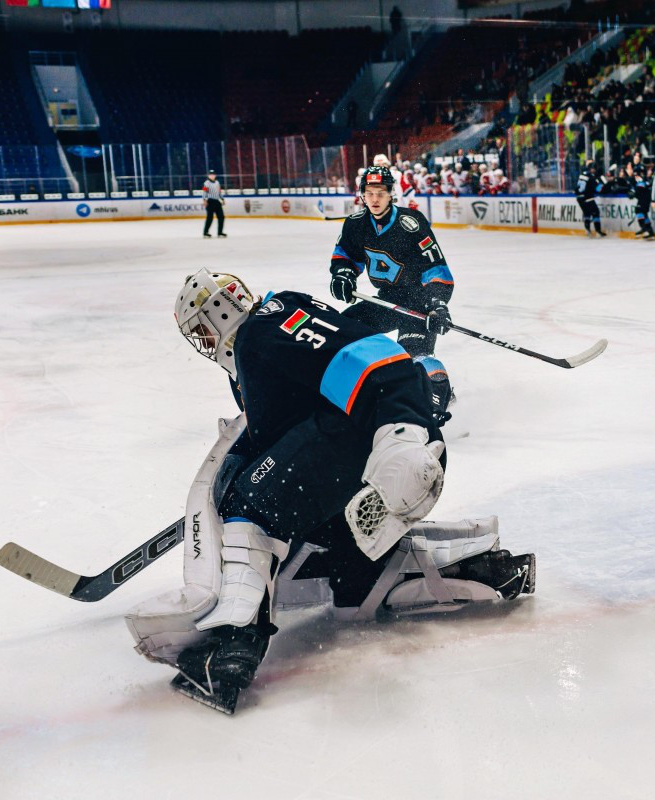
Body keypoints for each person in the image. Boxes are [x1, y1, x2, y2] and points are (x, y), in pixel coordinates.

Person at [126, 269, 534, 712]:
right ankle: (481, 570)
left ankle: (227, 644)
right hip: (353, 463)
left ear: (220, 309)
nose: (207, 343)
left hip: (389, 445)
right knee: (349, 577)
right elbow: (277, 432)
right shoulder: (252, 357)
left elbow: (373, 357)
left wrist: (400, 432)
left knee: (252, 507)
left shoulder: (267, 322)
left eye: (204, 330)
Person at [328, 165, 455, 424]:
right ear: (362, 194)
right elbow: (345, 256)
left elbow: (435, 268)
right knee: (340, 335)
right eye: (369, 192)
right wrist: (343, 274)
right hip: (384, 300)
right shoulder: (356, 225)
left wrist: (438, 304)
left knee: (415, 359)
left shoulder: (411, 224)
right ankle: (350, 397)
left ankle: (436, 404)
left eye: (381, 192)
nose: (375, 199)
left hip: (418, 303)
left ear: (391, 194)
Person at [574, 160, 607, 238]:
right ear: (592, 169)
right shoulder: (592, 177)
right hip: (587, 197)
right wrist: (604, 184)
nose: (595, 170)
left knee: (587, 213)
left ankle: (587, 229)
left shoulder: (582, 174)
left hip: (579, 197)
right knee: (595, 212)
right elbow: (599, 189)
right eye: (594, 169)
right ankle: (598, 230)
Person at [625, 162, 655, 240]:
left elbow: (640, 188)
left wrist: (633, 193)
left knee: (639, 211)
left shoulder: (642, 179)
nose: (636, 176)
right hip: (644, 198)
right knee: (643, 213)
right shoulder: (641, 178)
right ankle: (650, 231)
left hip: (645, 198)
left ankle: (645, 228)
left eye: (637, 174)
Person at [201, 170, 226, 239]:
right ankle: (205, 233)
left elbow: (219, 192)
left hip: (217, 201)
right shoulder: (206, 183)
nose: (212, 176)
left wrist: (222, 199)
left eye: (213, 174)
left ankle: (220, 232)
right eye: (210, 174)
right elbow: (204, 192)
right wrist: (204, 200)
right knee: (210, 218)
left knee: (221, 217)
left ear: (215, 175)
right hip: (210, 201)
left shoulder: (217, 183)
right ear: (208, 175)